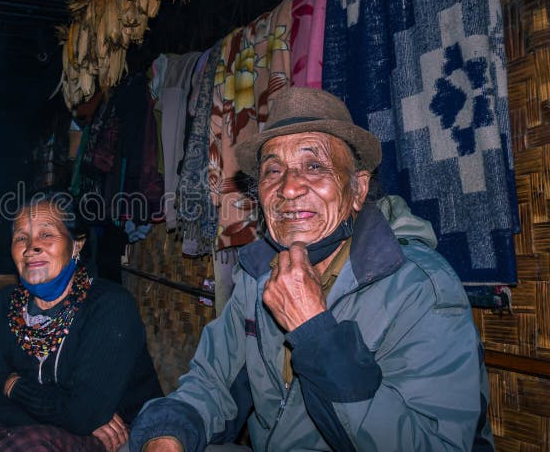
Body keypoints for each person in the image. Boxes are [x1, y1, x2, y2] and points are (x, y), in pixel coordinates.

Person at [130, 87, 494, 451]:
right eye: (273, 170)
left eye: (315, 166)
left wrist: (315, 332)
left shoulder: (419, 287)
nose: (288, 188)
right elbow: (213, 381)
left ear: (357, 190)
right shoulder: (257, 275)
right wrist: (169, 432)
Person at [0, 192, 163, 452]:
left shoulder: (109, 306)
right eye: (21, 237)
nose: (31, 246)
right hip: (24, 433)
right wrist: (64, 418)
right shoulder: (3, 305)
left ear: (77, 244)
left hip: (117, 439)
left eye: (47, 234)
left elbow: (83, 414)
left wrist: (12, 385)